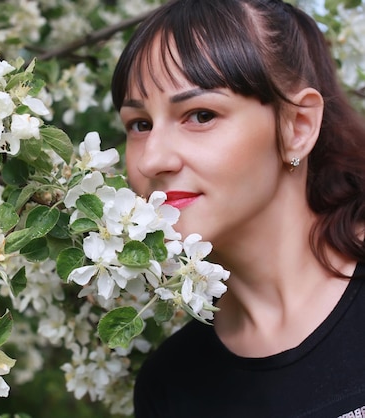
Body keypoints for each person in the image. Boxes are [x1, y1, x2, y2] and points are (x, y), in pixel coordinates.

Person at [110, 0, 365, 416]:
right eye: (139, 125)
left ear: (297, 128)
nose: (151, 160)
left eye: (201, 114)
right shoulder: (171, 387)